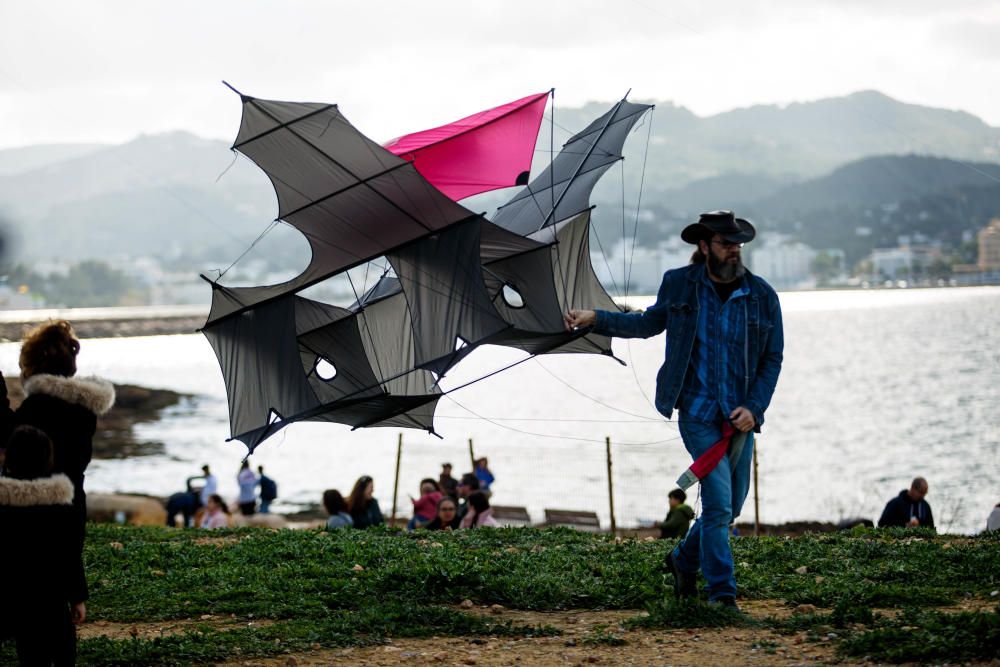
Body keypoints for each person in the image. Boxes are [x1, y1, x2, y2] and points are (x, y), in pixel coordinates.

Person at [565, 210, 783, 609]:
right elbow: (647, 324)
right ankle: (722, 596)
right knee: (717, 505)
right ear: (704, 246)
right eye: (725, 243)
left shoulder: (762, 296)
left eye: (738, 243)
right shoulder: (679, 285)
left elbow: (773, 359)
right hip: (697, 413)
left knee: (729, 508)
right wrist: (595, 318)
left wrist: (755, 407)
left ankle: (682, 560)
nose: (734, 250)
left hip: (740, 421)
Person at [0, 319, 115, 614]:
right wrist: (78, 594)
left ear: (33, 367)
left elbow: (7, 434)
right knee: (63, 568)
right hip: (72, 501)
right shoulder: (83, 409)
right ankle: (73, 602)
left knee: (30, 593)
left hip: (33, 504)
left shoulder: (39, 407)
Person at [0, 425, 86, 665]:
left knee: (29, 653)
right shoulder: (60, 504)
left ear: (9, 458)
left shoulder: (4, 503)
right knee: (63, 653)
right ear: (48, 459)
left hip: (18, 596)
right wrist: (77, 598)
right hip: (54, 598)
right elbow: (69, 555)